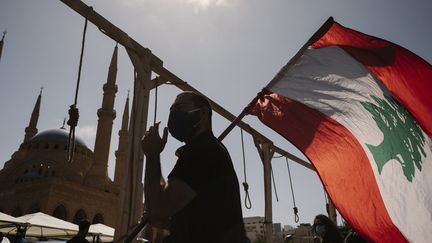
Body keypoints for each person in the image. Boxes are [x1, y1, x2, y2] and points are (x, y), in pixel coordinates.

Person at [141, 91, 247, 243]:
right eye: (171, 110)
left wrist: (152, 155)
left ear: (203, 113)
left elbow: (157, 209)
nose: (173, 113)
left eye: (180, 107)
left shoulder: (202, 150)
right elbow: (204, 224)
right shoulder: (208, 149)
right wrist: (165, 222)